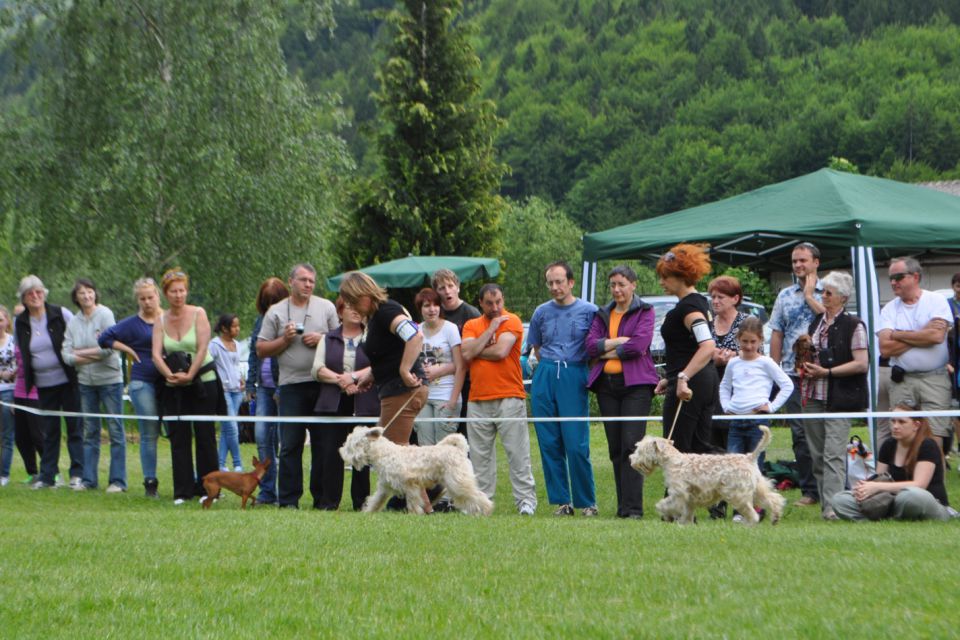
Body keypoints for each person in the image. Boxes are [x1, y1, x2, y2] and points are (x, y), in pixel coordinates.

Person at [340, 271, 432, 511]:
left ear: (365, 293)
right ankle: (423, 503)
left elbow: (415, 336)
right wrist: (371, 375)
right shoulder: (374, 317)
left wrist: (403, 370)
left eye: (353, 301)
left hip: (404, 389)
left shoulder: (386, 311)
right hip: (392, 389)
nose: (351, 307)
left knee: (395, 452)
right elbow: (388, 353)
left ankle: (424, 505)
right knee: (397, 450)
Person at [257, 263, 338, 509]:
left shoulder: (327, 307)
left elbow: (342, 341)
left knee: (324, 444)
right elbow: (260, 349)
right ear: (291, 281)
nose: (308, 285)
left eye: (312, 281)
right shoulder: (276, 312)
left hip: (322, 383)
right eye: (303, 280)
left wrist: (324, 339)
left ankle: (323, 500)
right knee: (290, 444)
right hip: (291, 386)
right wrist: (285, 339)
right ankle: (289, 501)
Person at [585, 265, 657, 519]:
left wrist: (606, 349)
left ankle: (634, 509)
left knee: (632, 447)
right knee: (616, 448)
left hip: (636, 387)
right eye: (613, 285)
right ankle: (622, 508)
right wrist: (618, 342)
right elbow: (590, 347)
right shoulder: (602, 313)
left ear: (633, 285)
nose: (616, 290)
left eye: (621, 284)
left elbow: (638, 346)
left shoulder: (645, 311)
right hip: (607, 386)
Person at [460, 283, 538, 515]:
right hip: (477, 399)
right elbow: (465, 353)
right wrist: (490, 330)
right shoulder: (472, 324)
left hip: (510, 397)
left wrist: (476, 348)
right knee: (480, 457)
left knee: (518, 453)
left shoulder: (511, 320)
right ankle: (482, 503)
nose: (495, 308)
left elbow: (500, 351)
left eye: (499, 302)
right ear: (480, 304)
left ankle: (526, 502)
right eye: (489, 303)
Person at [528, 261, 598, 517]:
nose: (555, 287)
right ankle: (562, 501)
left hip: (574, 372)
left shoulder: (589, 311)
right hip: (545, 372)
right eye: (551, 283)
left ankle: (587, 502)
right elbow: (536, 347)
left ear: (571, 282)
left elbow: (595, 348)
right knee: (549, 441)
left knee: (576, 442)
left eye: (560, 281)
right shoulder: (541, 312)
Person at [799, 271, 869, 520]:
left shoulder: (854, 325)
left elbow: (862, 364)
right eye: (823, 292)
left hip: (841, 396)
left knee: (833, 454)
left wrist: (826, 372)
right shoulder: (817, 322)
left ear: (844, 297)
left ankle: (834, 509)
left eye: (829, 293)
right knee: (816, 454)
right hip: (813, 395)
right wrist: (806, 363)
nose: (824, 296)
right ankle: (826, 504)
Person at [152, 268, 219, 505]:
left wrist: (190, 374)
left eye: (182, 290)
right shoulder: (160, 320)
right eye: (173, 291)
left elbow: (202, 347)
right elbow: (156, 354)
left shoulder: (199, 313)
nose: (178, 295)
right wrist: (170, 375)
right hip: (174, 383)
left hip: (202, 380)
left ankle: (209, 488)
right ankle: (182, 489)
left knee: (205, 435)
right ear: (166, 294)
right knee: (178, 436)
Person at [14, 275, 84, 490]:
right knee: (49, 431)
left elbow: (77, 338)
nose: (35, 296)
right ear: (24, 299)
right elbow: (21, 350)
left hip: (67, 380)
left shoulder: (61, 314)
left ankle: (77, 474)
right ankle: (48, 475)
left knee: (74, 428)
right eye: (29, 294)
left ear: (44, 293)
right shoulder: (21, 322)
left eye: (38, 292)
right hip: (43, 384)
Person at [768, 241, 824, 507]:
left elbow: (833, 320)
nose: (799, 265)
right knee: (800, 434)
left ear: (816, 262)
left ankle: (830, 485)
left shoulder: (830, 291)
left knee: (825, 431)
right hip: (792, 374)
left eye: (803, 260)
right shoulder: (784, 295)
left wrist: (811, 296)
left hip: (824, 373)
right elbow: (777, 332)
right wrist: (773, 369)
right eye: (795, 261)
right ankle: (810, 490)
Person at [877, 257, 953, 450]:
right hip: (902, 380)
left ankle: (933, 480)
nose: (893, 282)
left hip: (935, 379)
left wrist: (897, 334)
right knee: (903, 439)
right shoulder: (889, 308)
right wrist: (922, 332)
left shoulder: (936, 301)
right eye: (891, 278)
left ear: (916, 277)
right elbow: (885, 349)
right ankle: (907, 480)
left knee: (935, 436)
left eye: (899, 277)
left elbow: (936, 336)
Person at [99, 277, 164, 497]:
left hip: (168, 380)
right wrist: (126, 348)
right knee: (149, 433)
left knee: (177, 429)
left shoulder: (168, 318)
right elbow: (104, 338)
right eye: (142, 298)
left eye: (150, 297)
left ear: (157, 296)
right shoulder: (131, 324)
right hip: (141, 381)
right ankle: (150, 481)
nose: (147, 302)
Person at [832, 402, 951, 521]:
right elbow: (879, 478)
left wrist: (878, 486)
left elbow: (919, 485)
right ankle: (889, 519)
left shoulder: (928, 445)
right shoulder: (888, 445)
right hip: (891, 502)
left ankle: (886, 518)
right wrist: (864, 489)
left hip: (928, 503)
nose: (895, 426)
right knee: (840, 499)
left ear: (916, 425)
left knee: (911, 495)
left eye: (901, 422)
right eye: (893, 421)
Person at [310, 297, 376, 510]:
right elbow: (317, 369)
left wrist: (354, 377)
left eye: (359, 307)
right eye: (350, 307)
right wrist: (343, 380)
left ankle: (362, 503)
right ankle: (329, 502)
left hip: (365, 402)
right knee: (331, 453)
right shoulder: (327, 339)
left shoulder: (372, 336)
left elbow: (378, 365)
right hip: (332, 403)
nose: (356, 311)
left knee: (362, 454)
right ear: (340, 312)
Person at [654, 244, 720, 456]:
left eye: (666, 277)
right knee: (699, 450)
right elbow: (688, 348)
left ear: (681, 276)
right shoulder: (700, 302)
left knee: (677, 452)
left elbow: (708, 346)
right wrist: (671, 378)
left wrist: (682, 377)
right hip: (703, 381)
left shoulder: (688, 308)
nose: (661, 282)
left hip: (691, 385)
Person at [62, 278, 126, 492]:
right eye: (82, 293)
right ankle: (89, 480)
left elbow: (109, 348)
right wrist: (90, 355)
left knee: (116, 430)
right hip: (85, 383)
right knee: (90, 432)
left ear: (95, 293)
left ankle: (117, 481)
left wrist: (80, 353)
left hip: (110, 381)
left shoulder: (106, 315)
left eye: (90, 291)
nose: (86, 296)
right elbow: (66, 355)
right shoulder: (73, 322)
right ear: (76, 297)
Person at [718, 316, 793, 486]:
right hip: (735, 421)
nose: (749, 346)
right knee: (733, 466)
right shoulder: (733, 363)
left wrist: (772, 407)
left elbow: (787, 385)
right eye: (744, 341)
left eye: (753, 341)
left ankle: (756, 508)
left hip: (758, 421)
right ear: (738, 339)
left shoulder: (766, 362)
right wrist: (726, 406)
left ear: (761, 340)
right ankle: (739, 509)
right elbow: (724, 386)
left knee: (755, 467)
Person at [247, 277, 289, 506]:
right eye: (267, 301)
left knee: (285, 440)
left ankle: (285, 492)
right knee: (262, 436)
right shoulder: (259, 321)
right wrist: (250, 384)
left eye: (275, 301)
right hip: (263, 387)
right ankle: (266, 492)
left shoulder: (289, 322)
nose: (271, 306)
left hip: (283, 386)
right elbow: (254, 353)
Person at [412, 287, 465, 447]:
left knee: (444, 454)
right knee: (426, 453)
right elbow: (410, 364)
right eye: (427, 305)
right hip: (423, 398)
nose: (432, 309)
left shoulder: (450, 328)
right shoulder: (416, 330)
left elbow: (461, 366)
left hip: (446, 396)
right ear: (420, 309)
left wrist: (453, 401)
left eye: (435, 305)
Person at [432, 268, 481, 428]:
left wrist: (447, 369)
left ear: (458, 287)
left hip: (467, 382)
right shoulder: (434, 314)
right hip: (440, 385)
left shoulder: (471, 313)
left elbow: (476, 351)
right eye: (441, 288)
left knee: (464, 431)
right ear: (436, 292)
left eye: (450, 285)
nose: (447, 291)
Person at [708, 275, 748, 450]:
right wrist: (713, 356)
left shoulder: (747, 322)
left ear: (735, 299)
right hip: (711, 384)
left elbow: (756, 352)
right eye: (713, 297)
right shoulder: (707, 323)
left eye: (720, 297)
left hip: (739, 386)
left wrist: (734, 357)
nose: (715, 301)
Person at [209, 313, 244, 472]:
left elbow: (236, 365)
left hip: (237, 390)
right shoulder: (215, 345)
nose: (237, 329)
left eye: (238, 325)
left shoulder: (237, 344)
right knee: (232, 427)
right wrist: (217, 383)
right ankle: (237, 463)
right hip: (223, 391)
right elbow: (210, 364)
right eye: (234, 326)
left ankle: (220, 464)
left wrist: (241, 379)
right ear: (224, 328)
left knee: (226, 429)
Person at [0, 305, 15, 486]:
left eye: (1, 319)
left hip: (9, 392)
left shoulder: (14, 341)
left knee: (7, 435)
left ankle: (3, 474)